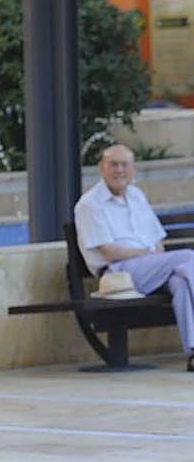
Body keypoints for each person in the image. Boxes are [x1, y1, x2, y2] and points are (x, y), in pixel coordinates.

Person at [75, 144, 194, 370]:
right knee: (188, 256)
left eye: (124, 165)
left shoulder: (137, 196)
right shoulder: (90, 204)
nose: (119, 170)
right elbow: (109, 252)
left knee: (180, 282)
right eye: (113, 164)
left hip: (149, 268)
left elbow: (157, 243)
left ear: (133, 169)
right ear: (101, 168)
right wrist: (148, 255)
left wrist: (155, 259)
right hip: (118, 274)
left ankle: (193, 353)